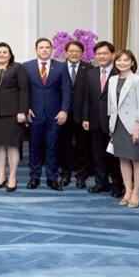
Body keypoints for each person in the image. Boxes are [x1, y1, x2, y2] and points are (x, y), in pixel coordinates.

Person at [24, 38, 71, 191]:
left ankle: (52, 178)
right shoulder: (27, 67)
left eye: (47, 47)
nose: (44, 50)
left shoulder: (61, 66)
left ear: (51, 50)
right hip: (34, 114)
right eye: (41, 47)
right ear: (36, 50)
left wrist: (64, 110)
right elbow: (24, 91)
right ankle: (34, 177)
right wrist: (26, 108)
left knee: (52, 147)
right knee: (34, 147)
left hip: (55, 114)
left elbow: (66, 89)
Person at [0, 42, 29, 192]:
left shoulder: (17, 68)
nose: (1, 54)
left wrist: (22, 111)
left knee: (12, 146)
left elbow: (24, 90)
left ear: (10, 55)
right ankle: (1, 175)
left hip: (12, 114)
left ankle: (12, 176)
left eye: (5, 52)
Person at [82, 41, 123, 197]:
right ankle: (101, 183)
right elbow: (86, 97)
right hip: (94, 120)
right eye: (99, 54)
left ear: (112, 55)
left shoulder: (120, 72)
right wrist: (85, 117)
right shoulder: (91, 73)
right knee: (97, 154)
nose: (102, 56)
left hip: (114, 121)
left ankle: (117, 185)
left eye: (105, 53)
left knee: (115, 155)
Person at [108, 50, 139, 208]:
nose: (122, 63)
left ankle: (137, 193)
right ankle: (128, 191)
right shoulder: (112, 79)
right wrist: (111, 124)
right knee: (122, 158)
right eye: (119, 60)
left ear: (132, 62)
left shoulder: (138, 80)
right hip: (117, 124)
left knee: (137, 159)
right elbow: (111, 105)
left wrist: (138, 125)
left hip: (133, 125)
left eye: (126, 60)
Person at [59, 41, 93, 188]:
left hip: (82, 115)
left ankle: (81, 175)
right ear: (66, 53)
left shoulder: (90, 68)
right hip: (63, 114)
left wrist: (87, 116)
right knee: (64, 146)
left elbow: (91, 94)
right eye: (71, 51)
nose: (74, 54)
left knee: (83, 146)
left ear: (82, 53)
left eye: (77, 51)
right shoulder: (58, 68)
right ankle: (65, 173)